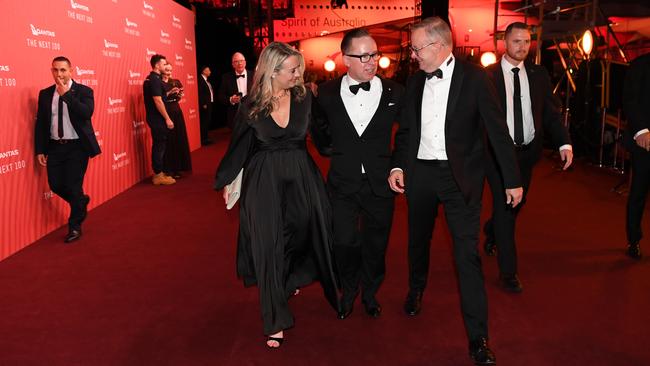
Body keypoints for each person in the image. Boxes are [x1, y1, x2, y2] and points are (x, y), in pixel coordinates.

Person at [388, 17, 523, 365]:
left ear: (439, 45)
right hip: (419, 174)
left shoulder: (476, 79)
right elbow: (406, 130)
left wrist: (512, 179)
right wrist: (398, 165)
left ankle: (479, 338)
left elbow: (497, 130)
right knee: (418, 240)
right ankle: (416, 288)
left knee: (468, 256)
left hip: (459, 178)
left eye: (417, 48)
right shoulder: (415, 82)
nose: (413, 55)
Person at [214, 42, 340, 348]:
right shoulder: (250, 105)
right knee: (267, 246)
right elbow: (240, 147)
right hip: (263, 181)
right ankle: (275, 319)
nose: (299, 73)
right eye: (292, 69)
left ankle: (288, 280)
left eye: (298, 67)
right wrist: (228, 179)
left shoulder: (305, 98)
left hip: (301, 178)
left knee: (300, 236)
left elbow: (324, 137)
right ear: (272, 71)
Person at [312, 28, 404, 319]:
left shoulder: (395, 92)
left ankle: (371, 293)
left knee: (376, 244)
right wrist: (339, 154)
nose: (371, 61)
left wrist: (397, 165)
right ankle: (348, 291)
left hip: (381, 183)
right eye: (363, 55)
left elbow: (407, 134)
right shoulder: (325, 94)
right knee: (344, 242)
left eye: (374, 54)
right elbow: (320, 134)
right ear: (345, 59)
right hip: (342, 182)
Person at [483, 22, 573, 292]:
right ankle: (508, 272)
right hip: (497, 156)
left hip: (527, 153)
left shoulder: (539, 74)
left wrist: (564, 143)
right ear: (504, 43)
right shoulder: (487, 76)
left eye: (526, 42)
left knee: (516, 205)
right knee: (507, 209)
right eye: (516, 42)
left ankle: (491, 230)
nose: (522, 47)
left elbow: (550, 112)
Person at [34, 56, 101, 243]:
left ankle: (74, 227)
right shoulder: (45, 94)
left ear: (71, 71)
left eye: (63, 70)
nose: (59, 74)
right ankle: (80, 201)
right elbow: (41, 125)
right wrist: (40, 150)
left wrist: (67, 95)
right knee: (55, 184)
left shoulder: (84, 91)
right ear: (51, 71)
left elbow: (86, 113)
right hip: (55, 146)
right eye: (55, 70)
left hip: (78, 147)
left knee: (73, 185)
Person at [623, 52, 650, 259]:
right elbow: (630, 100)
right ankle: (634, 239)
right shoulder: (640, 64)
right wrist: (641, 130)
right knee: (639, 192)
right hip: (644, 140)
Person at [143, 54, 175, 185]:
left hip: (155, 117)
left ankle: (159, 172)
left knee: (159, 144)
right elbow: (157, 100)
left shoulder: (153, 78)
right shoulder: (155, 79)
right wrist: (167, 118)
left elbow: (158, 96)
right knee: (159, 145)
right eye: (163, 64)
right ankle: (158, 175)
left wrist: (168, 93)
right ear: (157, 65)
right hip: (158, 118)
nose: (165, 66)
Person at [161, 64, 192, 178]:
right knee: (169, 140)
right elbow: (159, 99)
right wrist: (169, 93)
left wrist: (178, 93)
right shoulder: (159, 83)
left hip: (176, 111)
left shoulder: (176, 81)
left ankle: (179, 168)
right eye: (166, 69)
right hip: (166, 111)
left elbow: (180, 96)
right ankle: (168, 169)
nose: (169, 72)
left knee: (179, 138)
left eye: (170, 70)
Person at [217, 52, 254, 129]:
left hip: (252, 113)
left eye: (241, 61)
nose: (239, 63)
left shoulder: (254, 75)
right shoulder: (226, 77)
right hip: (235, 115)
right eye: (236, 61)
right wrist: (231, 99)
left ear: (245, 62)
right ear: (233, 64)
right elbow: (221, 96)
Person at [198, 65, 214, 145]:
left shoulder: (206, 80)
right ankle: (203, 139)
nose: (210, 72)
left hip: (209, 103)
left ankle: (206, 137)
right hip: (205, 105)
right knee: (204, 121)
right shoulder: (200, 80)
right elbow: (200, 93)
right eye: (208, 70)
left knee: (207, 121)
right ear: (204, 71)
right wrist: (203, 103)